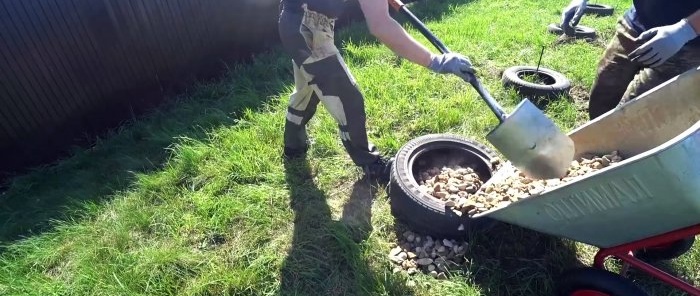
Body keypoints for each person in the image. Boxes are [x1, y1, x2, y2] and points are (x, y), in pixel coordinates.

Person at [278, 0, 475, 181]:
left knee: (309, 89)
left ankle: (293, 145)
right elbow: (380, 25)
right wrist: (435, 61)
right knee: (347, 97)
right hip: (306, 28)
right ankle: (371, 164)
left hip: (300, 21)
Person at [560, 0, 700, 120]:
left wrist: (685, 30)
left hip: (688, 46)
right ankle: (598, 148)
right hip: (635, 24)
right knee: (604, 93)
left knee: (637, 115)